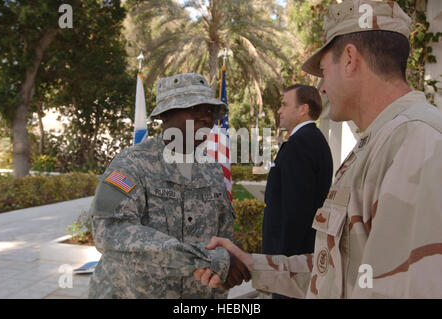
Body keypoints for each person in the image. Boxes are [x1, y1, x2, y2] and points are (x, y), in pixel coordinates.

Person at [194, 0, 442, 298]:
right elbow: (341, 271)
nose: (321, 88)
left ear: (349, 58)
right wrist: (253, 266)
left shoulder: (416, 142)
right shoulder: (382, 142)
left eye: (324, 71)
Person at [88, 73, 250, 299]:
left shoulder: (212, 169)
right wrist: (205, 260)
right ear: (166, 115)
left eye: (210, 111)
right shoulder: (132, 164)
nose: (205, 118)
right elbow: (110, 231)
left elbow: (223, 236)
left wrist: (225, 271)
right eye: (194, 109)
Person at [262, 84, 333, 299]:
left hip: (290, 262)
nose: (279, 110)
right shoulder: (311, 139)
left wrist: (284, 264)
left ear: (303, 109)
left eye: (284, 105)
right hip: (298, 256)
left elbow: (296, 210)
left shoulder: (301, 144)